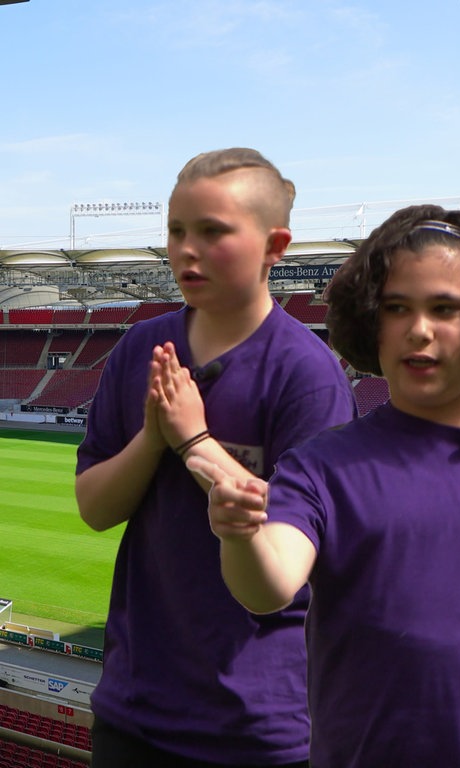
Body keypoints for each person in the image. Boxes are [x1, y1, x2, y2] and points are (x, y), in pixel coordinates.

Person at [191, 204, 460, 768]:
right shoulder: (322, 466)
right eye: (398, 308)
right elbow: (268, 586)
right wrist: (241, 535)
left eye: (445, 308)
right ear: (373, 320)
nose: (419, 329)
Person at [75, 148, 356, 768]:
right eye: (176, 230)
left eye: (212, 232)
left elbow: (290, 557)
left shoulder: (307, 376)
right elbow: (94, 508)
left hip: (254, 727)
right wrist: (155, 437)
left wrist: (196, 443)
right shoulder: (142, 350)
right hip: (133, 712)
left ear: (274, 245)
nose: (186, 250)